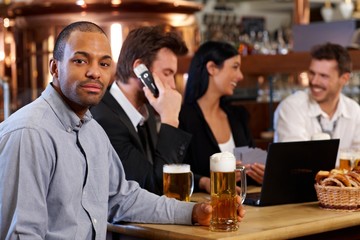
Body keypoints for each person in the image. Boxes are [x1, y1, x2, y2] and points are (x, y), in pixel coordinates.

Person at [0, 21, 245, 239]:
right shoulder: (29, 132)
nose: (95, 72)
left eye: (104, 63)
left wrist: (194, 212)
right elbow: (21, 234)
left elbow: (124, 198)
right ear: (55, 68)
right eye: (80, 60)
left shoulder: (92, 131)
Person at [90, 26, 192, 195]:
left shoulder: (145, 111)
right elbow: (152, 188)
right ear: (140, 69)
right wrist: (170, 120)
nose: (173, 85)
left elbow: (153, 166)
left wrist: (200, 180)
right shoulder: (105, 121)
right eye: (167, 73)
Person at [179, 41, 265, 193]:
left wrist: (262, 174)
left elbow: (251, 165)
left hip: (244, 205)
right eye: (235, 67)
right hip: (204, 207)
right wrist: (206, 182)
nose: (240, 76)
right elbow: (173, 171)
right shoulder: (183, 117)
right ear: (212, 68)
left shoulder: (239, 116)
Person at [274, 42, 360, 162]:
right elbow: (295, 162)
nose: (314, 81)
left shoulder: (354, 111)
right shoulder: (292, 107)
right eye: (312, 73)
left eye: (323, 76)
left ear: (344, 79)